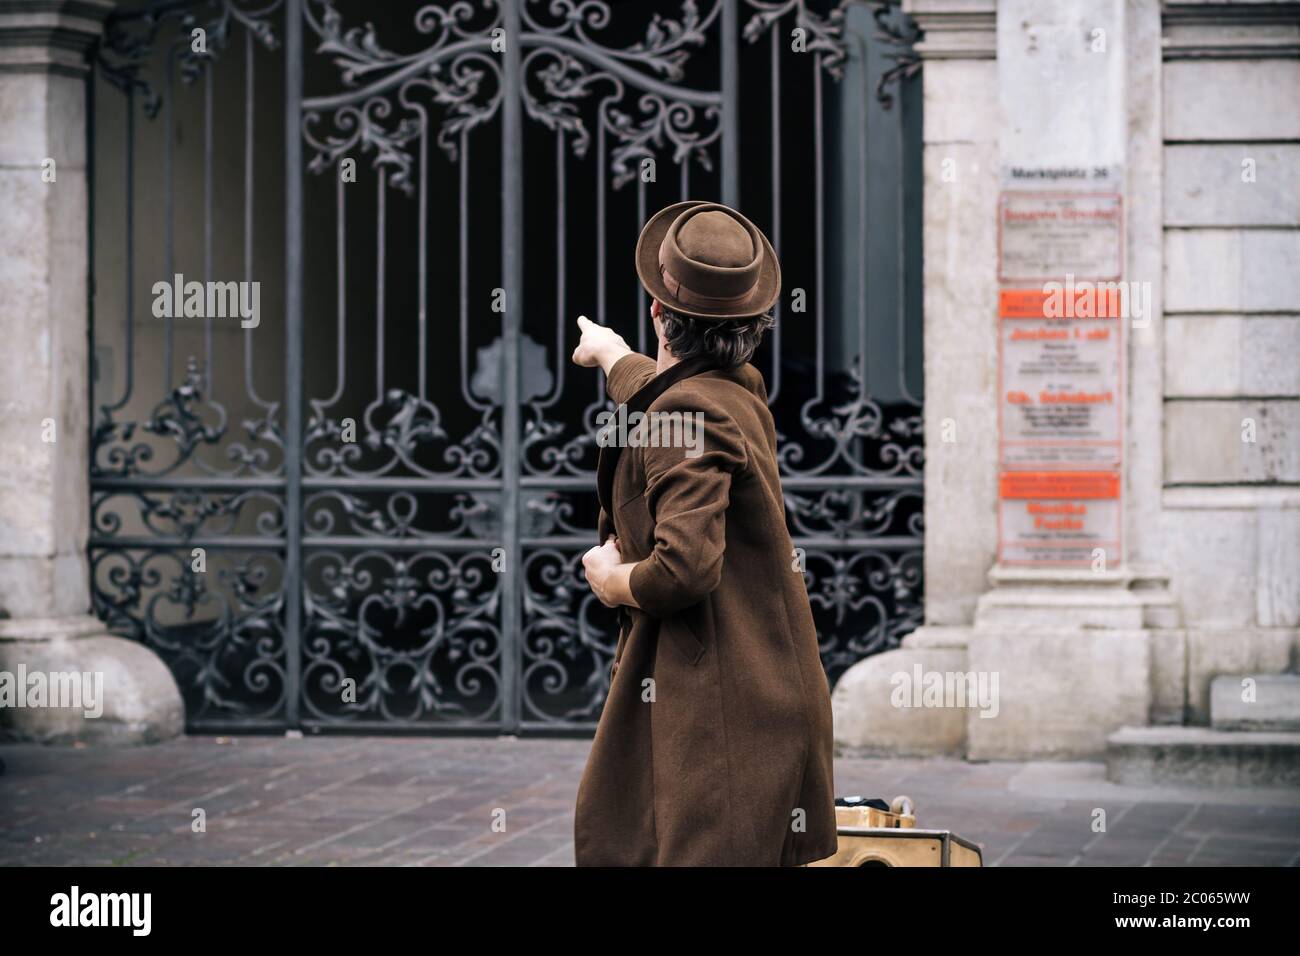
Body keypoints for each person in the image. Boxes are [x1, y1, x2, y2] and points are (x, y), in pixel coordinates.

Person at [570, 201, 837, 866]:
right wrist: (612, 355)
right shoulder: (736, 388)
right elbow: (673, 391)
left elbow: (684, 570)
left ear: (660, 312)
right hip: (758, 698)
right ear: (749, 325)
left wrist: (612, 581)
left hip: (722, 721)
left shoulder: (690, 410)